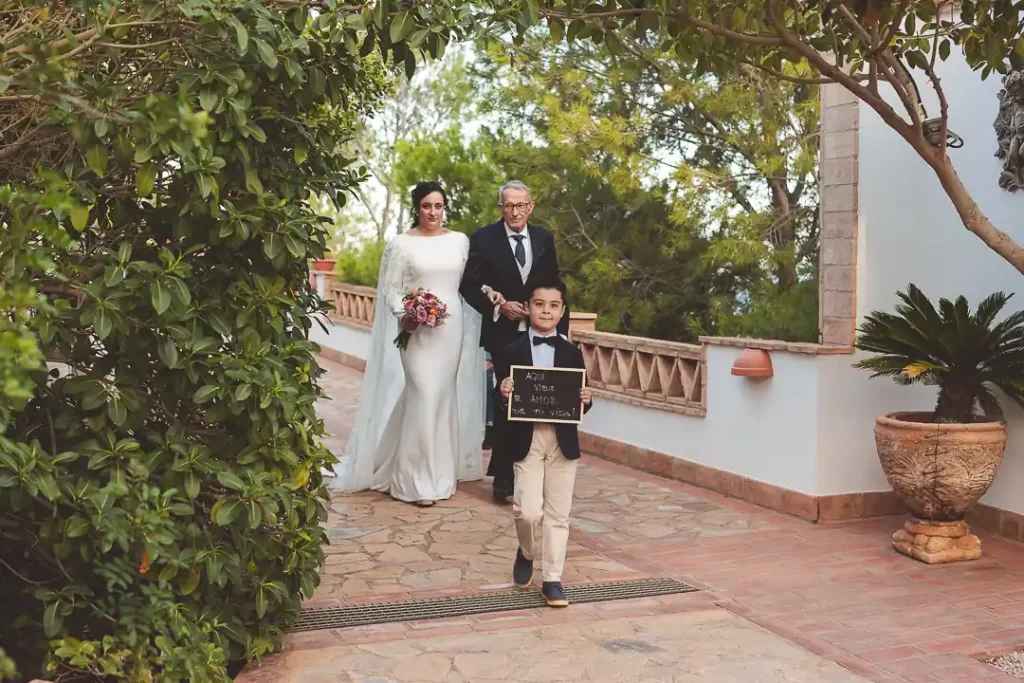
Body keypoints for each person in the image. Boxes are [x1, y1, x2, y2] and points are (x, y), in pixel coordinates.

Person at [331, 181, 502, 506]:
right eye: (427, 206)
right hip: (416, 331)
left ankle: (439, 475)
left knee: (440, 398)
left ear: (444, 208)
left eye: (438, 206)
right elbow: (392, 289)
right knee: (422, 393)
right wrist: (408, 312)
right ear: (417, 208)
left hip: (450, 331)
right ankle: (414, 481)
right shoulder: (402, 245)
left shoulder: (459, 242)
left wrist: (489, 293)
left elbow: (471, 281)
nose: (433, 212)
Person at [460, 180, 569, 505]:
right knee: (509, 393)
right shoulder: (483, 238)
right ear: (501, 208)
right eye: (509, 205)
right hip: (502, 333)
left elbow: (554, 283)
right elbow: (469, 283)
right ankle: (504, 478)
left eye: (521, 205)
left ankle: (530, 469)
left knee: (533, 397)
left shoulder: (543, 239)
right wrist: (498, 305)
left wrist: (559, 327)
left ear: (531, 207)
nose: (515, 211)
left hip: (538, 331)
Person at [493, 279, 592, 607]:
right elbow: (499, 398)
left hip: (562, 440)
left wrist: (586, 398)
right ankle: (526, 550)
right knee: (528, 511)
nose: (546, 311)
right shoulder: (511, 351)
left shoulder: (572, 353)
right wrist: (504, 390)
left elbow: (581, 397)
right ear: (528, 307)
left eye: (553, 306)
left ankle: (552, 578)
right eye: (539, 304)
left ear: (562, 310)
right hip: (527, 438)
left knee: (558, 514)